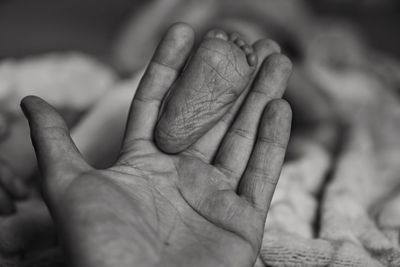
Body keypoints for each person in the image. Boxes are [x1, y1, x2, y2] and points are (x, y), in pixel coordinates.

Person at [20, 23, 292, 266]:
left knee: (114, 98)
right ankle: (249, 47)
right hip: (135, 98)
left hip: (131, 103)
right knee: (274, 111)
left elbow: (129, 50)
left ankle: (230, 52)